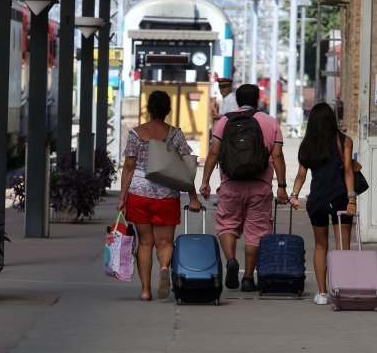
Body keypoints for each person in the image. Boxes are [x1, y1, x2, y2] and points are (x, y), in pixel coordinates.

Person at [200, 84, 288, 292]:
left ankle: (231, 259)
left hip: (231, 183)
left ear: (238, 101)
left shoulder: (225, 121)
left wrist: (205, 181)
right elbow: (277, 156)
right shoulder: (270, 122)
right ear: (258, 99)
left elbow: (214, 152)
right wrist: (282, 186)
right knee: (256, 232)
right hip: (260, 185)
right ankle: (248, 278)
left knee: (227, 225)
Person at [118, 90, 202, 301]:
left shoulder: (135, 134)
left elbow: (128, 167)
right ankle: (164, 267)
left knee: (145, 243)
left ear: (148, 109)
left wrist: (122, 197)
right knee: (165, 243)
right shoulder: (175, 134)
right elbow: (186, 167)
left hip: (139, 194)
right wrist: (193, 196)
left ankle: (145, 291)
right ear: (168, 110)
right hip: (166, 194)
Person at [288, 102, 357, 305]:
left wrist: (294, 195)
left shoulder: (308, 144)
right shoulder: (344, 141)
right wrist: (352, 199)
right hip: (339, 199)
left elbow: (301, 175)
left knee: (320, 246)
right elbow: (348, 171)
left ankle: (322, 293)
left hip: (317, 200)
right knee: (342, 246)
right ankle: (342, 288)